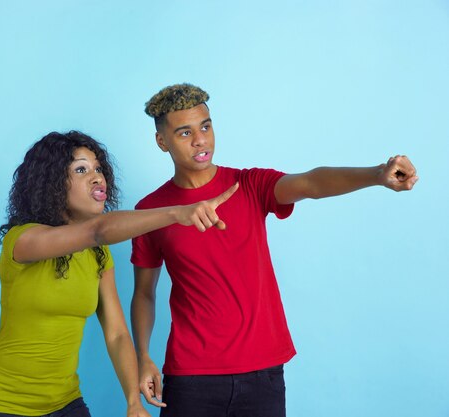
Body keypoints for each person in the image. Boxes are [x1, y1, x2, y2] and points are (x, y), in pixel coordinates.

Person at [130, 84, 418, 417]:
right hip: (191, 376)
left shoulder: (250, 185)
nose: (201, 140)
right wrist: (143, 357)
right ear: (162, 141)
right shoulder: (151, 211)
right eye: (184, 132)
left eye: (206, 126)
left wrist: (377, 175)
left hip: (263, 374)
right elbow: (144, 294)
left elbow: (311, 183)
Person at [0, 130, 239, 417]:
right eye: (81, 169)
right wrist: (176, 213)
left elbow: (117, 334)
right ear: (52, 184)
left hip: (65, 403)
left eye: (98, 168)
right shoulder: (22, 241)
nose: (97, 177)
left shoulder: (98, 255)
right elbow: (98, 231)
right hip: (0, 405)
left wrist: (133, 401)